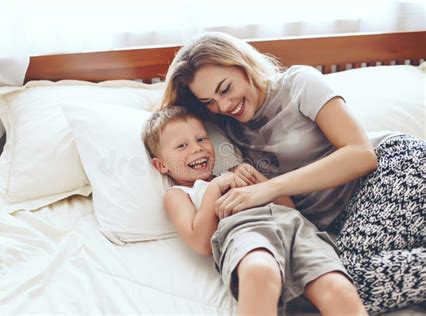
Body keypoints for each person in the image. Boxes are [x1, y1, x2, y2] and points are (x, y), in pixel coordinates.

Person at [161, 32, 425, 314]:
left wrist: (270, 188)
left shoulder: (298, 83)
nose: (224, 105)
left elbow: (361, 155)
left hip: (394, 169)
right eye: (209, 102)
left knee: (347, 284)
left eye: (225, 89)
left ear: (242, 64)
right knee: (324, 288)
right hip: (344, 219)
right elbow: (170, 127)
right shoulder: (227, 124)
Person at [142, 106, 367, 315]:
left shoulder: (232, 173)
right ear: (161, 165)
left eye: (201, 139)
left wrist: (257, 180)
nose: (197, 148)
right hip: (245, 233)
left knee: (337, 287)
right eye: (182, 146)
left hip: (295, 227)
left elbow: (288, 207)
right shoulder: (179, 194)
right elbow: (200, 242)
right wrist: (214, 190)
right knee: (260, 272)